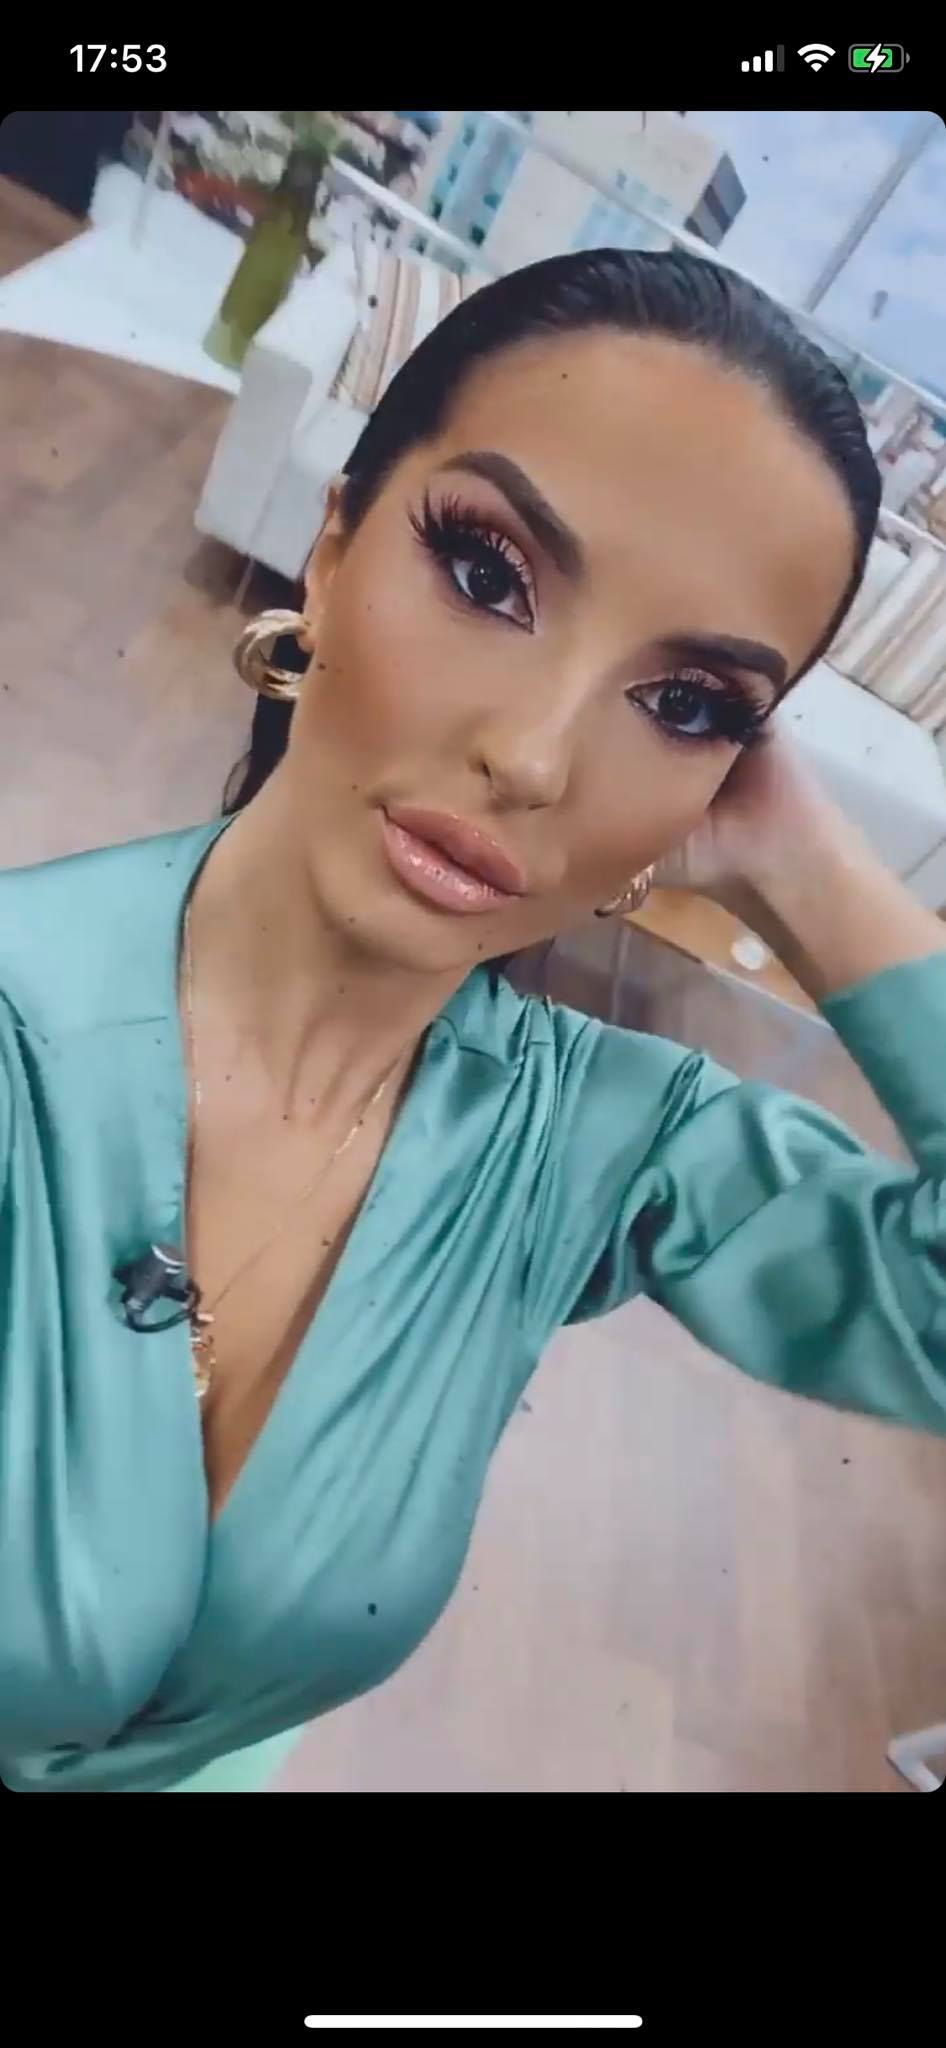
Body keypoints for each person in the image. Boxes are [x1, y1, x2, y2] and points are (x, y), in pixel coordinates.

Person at [2, 247, 945, 1796]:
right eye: (488, 576)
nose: (533, 756)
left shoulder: (598, 1146)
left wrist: (804, 865)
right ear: (331, 545)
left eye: (687, 702)